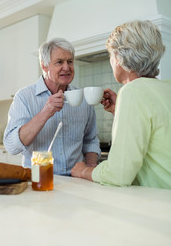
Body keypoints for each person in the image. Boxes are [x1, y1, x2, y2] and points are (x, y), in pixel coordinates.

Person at [71, 20, 171, 189]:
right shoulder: (166, 87)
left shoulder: (132, 92)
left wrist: (83, 170)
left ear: (118, 58)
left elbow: (119, 173)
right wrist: (120, 112)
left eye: (111, 55)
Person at [3, 37, 101, 175]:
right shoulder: (24, 97)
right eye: (59, 62)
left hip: (77, 181)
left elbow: (91, 139)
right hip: (39, 179)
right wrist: (45, 112)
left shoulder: (83, 99)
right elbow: (11, 146)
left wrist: (90, 166)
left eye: (70, 62)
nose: (66, 67)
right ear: (44, 66)